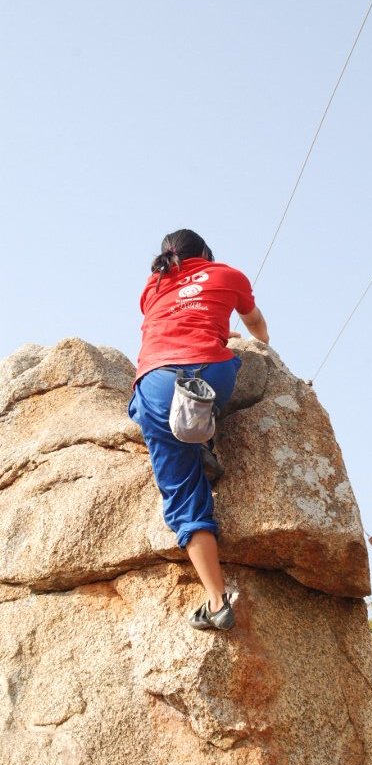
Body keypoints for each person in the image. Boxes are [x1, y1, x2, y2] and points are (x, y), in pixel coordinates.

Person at [128, 229, 269, 631]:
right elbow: (255, 323)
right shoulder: (227, 274)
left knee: (184, 494)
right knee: (205, 387)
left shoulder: (151, 288)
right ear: (206, 254)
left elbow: (175, 324)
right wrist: (261, 344)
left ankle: (217, 601)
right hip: (212, 373)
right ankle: (202, 435)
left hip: (157, 381)